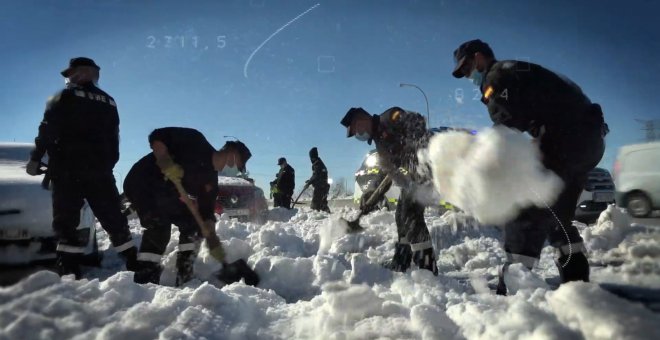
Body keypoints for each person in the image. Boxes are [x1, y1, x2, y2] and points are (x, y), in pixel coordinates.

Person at [451, 39, 608, 294]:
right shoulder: (518, 71)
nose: (469, 76)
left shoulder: (498, 76)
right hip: (589, 140)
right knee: (557, 211)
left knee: (524, 203)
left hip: (564, 139)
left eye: (467, 69)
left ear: (478, 58)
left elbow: (505, 131)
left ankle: (513, 285)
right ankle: (577, 281)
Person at [26, 57, 137, 279]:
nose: (69, 78)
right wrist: (108, 164)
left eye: (72, 73)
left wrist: (36, 158)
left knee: (66, 220)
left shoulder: (64, 97)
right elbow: (113, 137)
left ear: (86, 73)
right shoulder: (109, 101)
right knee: (113, 216)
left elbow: (47, 129)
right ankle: (135, 262)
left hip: (68, 168)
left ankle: (69, 270)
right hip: (100, 171)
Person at [123, 127, 251, 285]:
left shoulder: (210, 180)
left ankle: (184, 271)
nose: (235, 170)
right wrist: (164, 160)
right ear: (231, 154)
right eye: (237, 165)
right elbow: (157, 136)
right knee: (159, 228)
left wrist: (209, 228)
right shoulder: (196, 141)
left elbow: (206, 212)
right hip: (142, 183)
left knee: (194, 226)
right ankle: (145, 277)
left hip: (166, 194)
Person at [340, 107, 438, 275]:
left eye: (356, 130)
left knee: (411, 216)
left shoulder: (390, 117)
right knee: (401, 215)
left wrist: (409, 146)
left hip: (425, 170)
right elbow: (386, 172)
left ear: (362, 119)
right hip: (411, 181)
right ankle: (401, 261)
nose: (358, 135)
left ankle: (428, 267)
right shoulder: (380, 143)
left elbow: (418, 121)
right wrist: (371, 193)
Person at [305, 147, 331, 212]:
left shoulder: (318, 164)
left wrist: (309, 183)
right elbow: (315, 175)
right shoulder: (318, 163)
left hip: (320, 187)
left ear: (313, 157)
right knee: (322, 203)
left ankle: (316, 218)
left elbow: (316, 175)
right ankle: (327, 218)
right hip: (323, 187)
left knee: (315, 205)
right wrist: (310, 180)